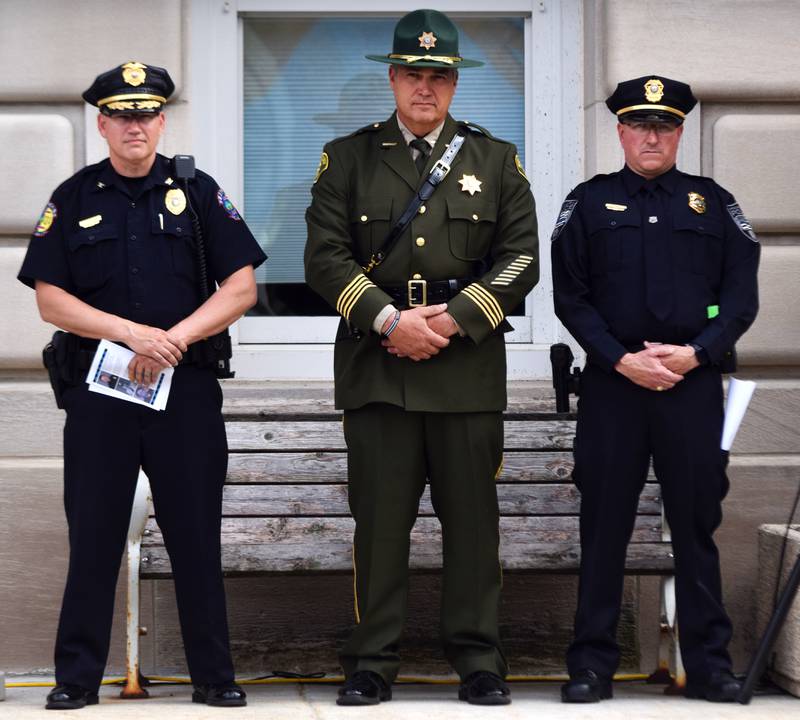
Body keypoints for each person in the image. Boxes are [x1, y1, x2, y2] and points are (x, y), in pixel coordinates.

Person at [304, 9, 539, 707]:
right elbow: (323, 255)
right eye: (413, 72)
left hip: (464, 370)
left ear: (455, 82)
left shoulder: (494, 159)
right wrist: (386, 318)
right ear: (393, 77)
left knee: (473, 528)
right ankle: (372, 661)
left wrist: (457, 318)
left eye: (439, 75)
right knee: (378, 529)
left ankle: (479, 660)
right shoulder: (347, 157)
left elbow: (522, 258)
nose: (425, 87)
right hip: (379, 369)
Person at [18, 62, 267, 710]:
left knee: (193, 537)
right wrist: (131, 333)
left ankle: (214, 678)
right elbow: (51, 300)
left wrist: (174, 339)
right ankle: (76, 678)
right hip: (102, 392)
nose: (136, 125)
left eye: (148, 113)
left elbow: (241, 288)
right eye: (123, 114)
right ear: (102, 123)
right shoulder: (74, 198)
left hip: (182, 392)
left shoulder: (197, 190)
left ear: (162, 120)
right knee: (94, 538)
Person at [551, 75, 760, 703]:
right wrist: (620, 360)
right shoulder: (588, 203)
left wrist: (698, 353)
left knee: (696, 526)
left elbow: (742, 299)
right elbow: (572, 300)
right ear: (619, 132)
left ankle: (708, 665)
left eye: (664, 125)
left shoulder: (714, 204)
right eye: (640, 125)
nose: (652, 136)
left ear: (679, 133)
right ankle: (591, 664)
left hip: (691, 390)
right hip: (615, 392)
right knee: (604, 525)